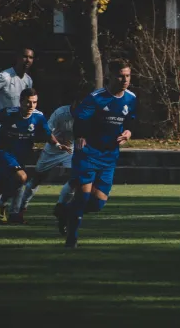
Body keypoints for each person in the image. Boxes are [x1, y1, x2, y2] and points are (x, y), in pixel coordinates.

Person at [59, 61, 136, 248]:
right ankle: (72, 239)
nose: (125, 79)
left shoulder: (131, 98)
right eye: (120, 75)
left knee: (97, 204)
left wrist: (128, 133)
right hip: (88, 152)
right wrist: (81, 136)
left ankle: (65, 212)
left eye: (127, 75)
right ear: (110, 76)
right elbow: (80, 119)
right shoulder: (96, 98)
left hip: (109, 156)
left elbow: (130, 122)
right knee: (83, 196)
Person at [0, 88, 70, 225]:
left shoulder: (38, 117)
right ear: (21, 101)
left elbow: (47, 134)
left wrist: (58, 145)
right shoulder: (9, 113)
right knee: (21, 177)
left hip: (20, 155)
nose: (31, 106)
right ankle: (1, 205)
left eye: (34, 102)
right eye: (28, 102)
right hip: (2, 152)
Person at [14, 84, 93, 218]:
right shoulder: (61, 113)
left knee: (76, 178)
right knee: (37, 179)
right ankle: (22, 207)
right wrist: (58, 143)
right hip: (53, 149)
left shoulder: (89, 115)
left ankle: (61, 207)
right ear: (74, 103)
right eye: (79, 104)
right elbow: (47, 131)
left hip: (72, 151)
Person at [0, 48, 34, 222]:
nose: (27, 60)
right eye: (24, 56)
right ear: (17, 57)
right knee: (4, 168)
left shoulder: (28, 80)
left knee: (19, 170)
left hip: (16, 131)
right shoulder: (4, 76)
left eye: (30, 57)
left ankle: (14, 211)